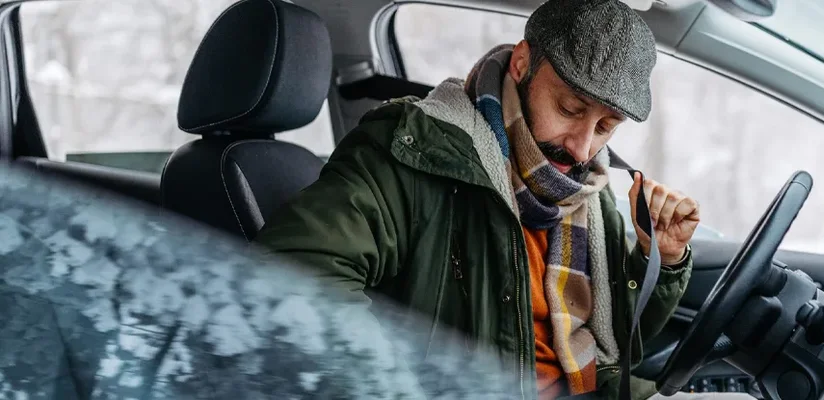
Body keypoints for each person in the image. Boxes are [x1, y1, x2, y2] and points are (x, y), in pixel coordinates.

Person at [255, 0, 739, 399]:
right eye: (570, 108)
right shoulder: (413, 150)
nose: (582, 147)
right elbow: (291, 278)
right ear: (523, 63)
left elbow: (621, 340)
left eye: (606, 127)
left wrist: (663, 258)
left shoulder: (588, 190)